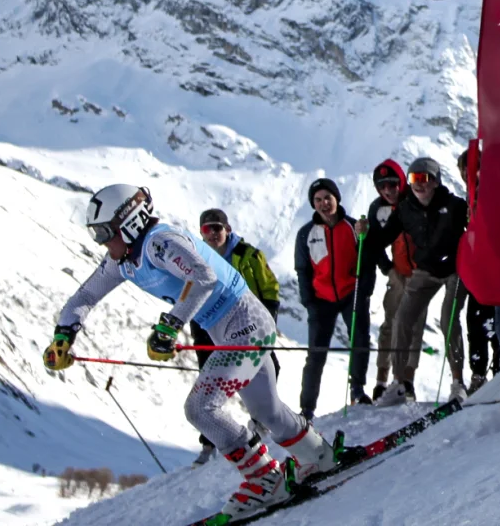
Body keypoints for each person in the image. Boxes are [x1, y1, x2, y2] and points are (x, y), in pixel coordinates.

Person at [45, 184, 337, 520]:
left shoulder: (160, 242)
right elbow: (85, 296)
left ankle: (265, 480)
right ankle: (318, 456)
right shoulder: (123, 260)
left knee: (201, 408)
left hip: (245, 325)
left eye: (104, 232)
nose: (101, 242)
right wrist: (64, 335)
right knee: (266, 410)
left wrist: (170, 325)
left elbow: (204, 277)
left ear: (129, 222)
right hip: (229, 329)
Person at [189, 207, 284, 465]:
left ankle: (262, 420)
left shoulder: (248, 254)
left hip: (247, 324)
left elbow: (269, 286)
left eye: (217, 228)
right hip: (208, 324)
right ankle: (209, 441)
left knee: (269, 366)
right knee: (208, 378)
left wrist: (269, 317)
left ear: (227, 229)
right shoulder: (196, 258)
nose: (212, 234)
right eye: (206, 229)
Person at [375, 157, 471, 403]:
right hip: (425, 270)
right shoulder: (406, 209)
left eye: (425, 178)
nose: (419, 185)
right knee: (403, 319)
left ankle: (458, 381)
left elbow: (474, 227)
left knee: (448, 317)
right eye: (414, 179)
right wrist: (365, 236)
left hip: (455, 268)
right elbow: (383, 239)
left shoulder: (454, 205)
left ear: (435, 181)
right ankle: (400, 383)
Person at [292, 177, 372, 415]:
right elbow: (302, 269)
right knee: (316, 355)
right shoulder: (306, 233)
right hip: (321, 300)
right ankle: (307, 408)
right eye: (318, 200)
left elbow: (366, 263)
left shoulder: (354, 227)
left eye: (327, 197)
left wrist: (364, 293)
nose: (324, 203)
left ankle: (357, 389)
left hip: (351, 295)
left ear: (337, 198)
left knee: (360, 340)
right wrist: (309, 302)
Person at [360, 159, 412, 404]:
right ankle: (381, 381)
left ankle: (405, 381)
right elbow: (372, 243)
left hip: (424, 273)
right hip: (398, 274)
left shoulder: (414, 201)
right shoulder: (377, 209)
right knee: (389, 326)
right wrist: (388, 269)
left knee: (411, 328)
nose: (388, 190)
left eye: (392, 184)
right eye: (382, 186)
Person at [455, 148, 499, 393]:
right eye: (465, 169)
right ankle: (479, 374)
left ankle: (497, 371)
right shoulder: (468, 198)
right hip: (477, 269)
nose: (468, 173)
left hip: (495, 266)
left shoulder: (491, 193)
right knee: (475, 321)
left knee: (492, 321)